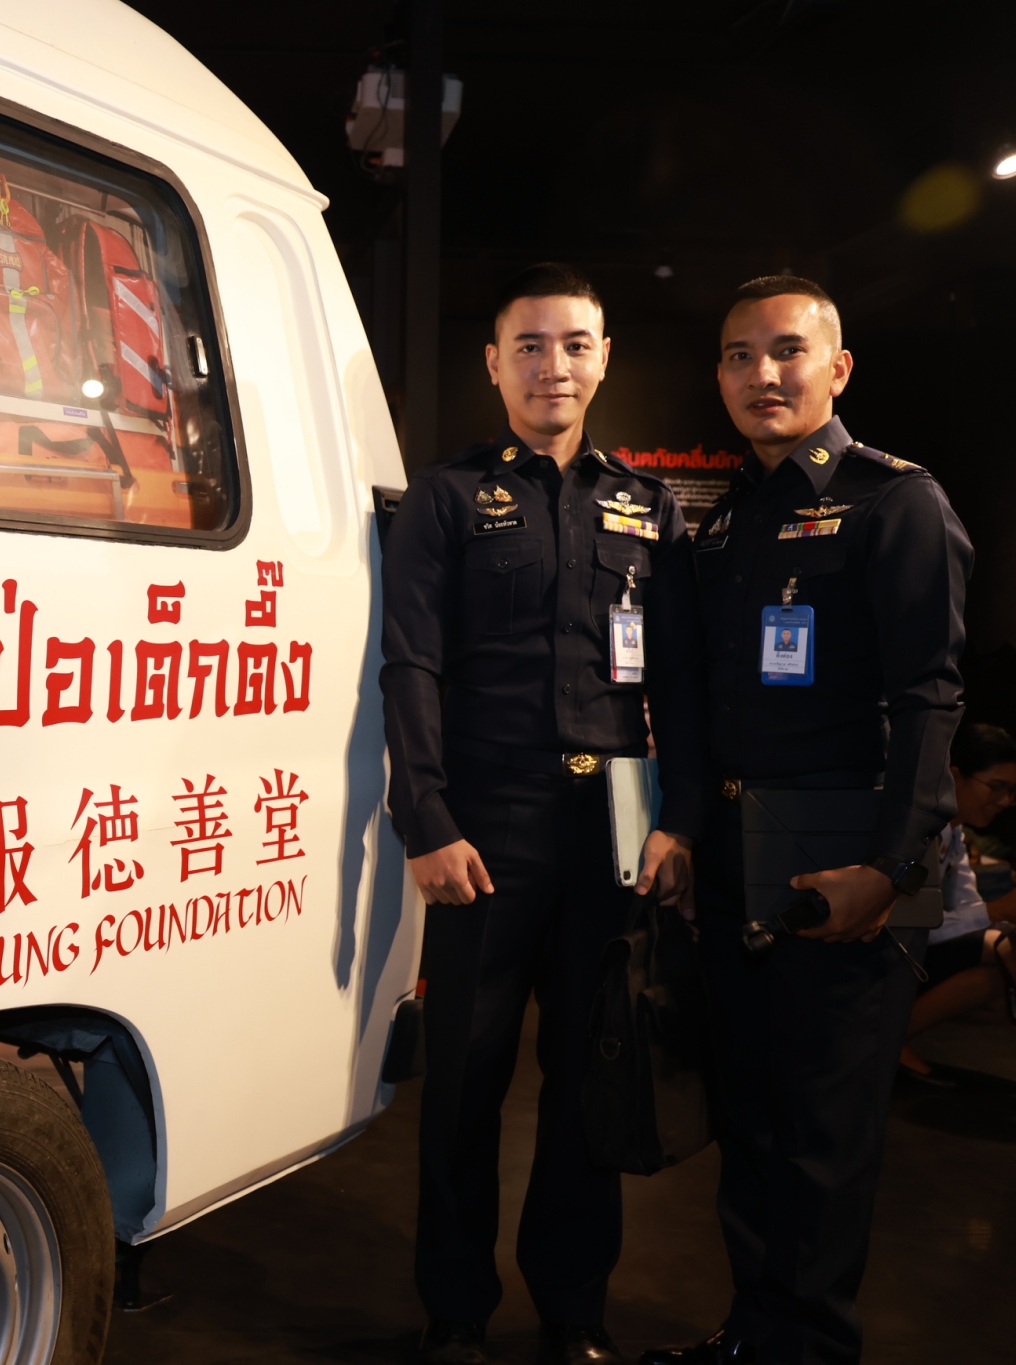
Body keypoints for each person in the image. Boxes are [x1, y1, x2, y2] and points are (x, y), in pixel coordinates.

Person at [640, 278, 972, 1365]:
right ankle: (754, 1334)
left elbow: (928, 699)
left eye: (786, 351)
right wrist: (688, 830)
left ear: (837, 367)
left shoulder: (895, 501)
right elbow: (700, 700)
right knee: (752, 1122)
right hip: (740, 856)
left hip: (850, 853)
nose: (762, 374)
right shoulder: (728, 517)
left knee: (825, 1140)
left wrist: (891, 866)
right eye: (738, 356)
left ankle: (809, 1347)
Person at [381, 263, 703, 1365]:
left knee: (589, 1074)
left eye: (573, 344)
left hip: (612, 826)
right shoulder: (445, 499)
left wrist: (679, 820)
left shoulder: (649, 506)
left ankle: (573, 1305)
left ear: (603, 358)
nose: (550, 366)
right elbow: (409, 665)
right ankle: (454, 1308)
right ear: (493, 362)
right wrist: (425, 817)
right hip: (486, 826)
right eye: (528, 345)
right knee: (463, 1084)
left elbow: (681, 681)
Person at [900, 723, 1016, 1082]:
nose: (1005, 801)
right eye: (996, 787)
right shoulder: (917, 830)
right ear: (955, 775)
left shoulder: (955, 833)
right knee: (1006, 959)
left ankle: (890, 1036)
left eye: (1013, 791)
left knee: (1006, 977)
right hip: (884, 952)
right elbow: (908, 924)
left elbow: (968, 907)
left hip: (913, 948)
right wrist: (998, 912)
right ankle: (886, 1044)